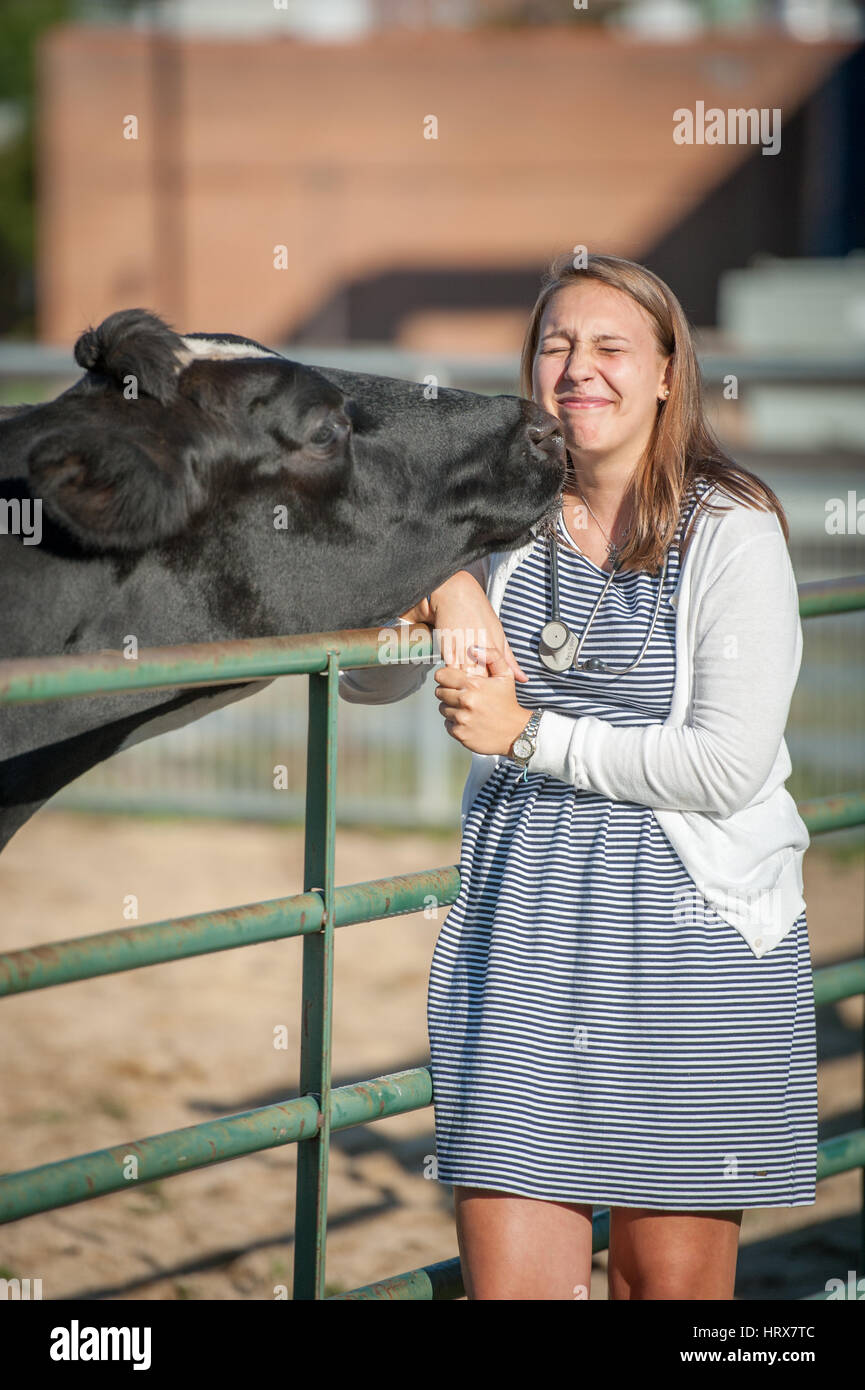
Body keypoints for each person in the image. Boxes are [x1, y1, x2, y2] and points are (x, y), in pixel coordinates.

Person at [338, 252, 818, 1301]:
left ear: (663, 373)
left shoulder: (731, 531)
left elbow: (726, 764)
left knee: (670, 1296)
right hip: (520, 937)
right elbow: (363, 686)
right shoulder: (495, 525)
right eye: (554, 347)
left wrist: (526, 734)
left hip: (690, 945)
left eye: (609, 347)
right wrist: (438, 577)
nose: (576, 370)